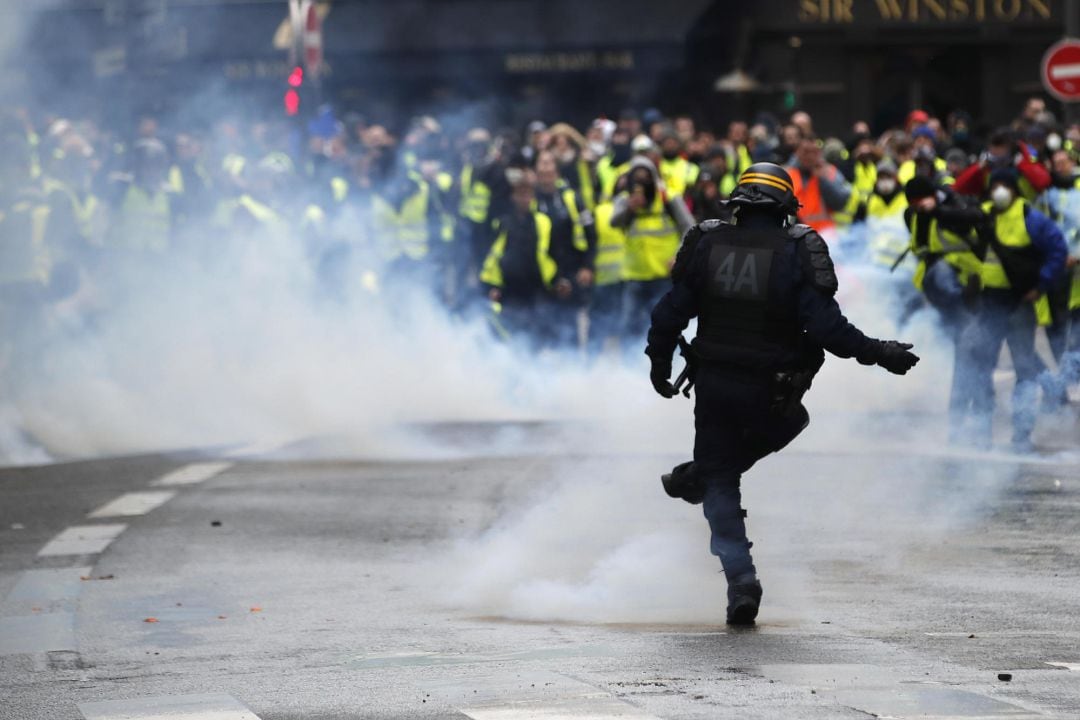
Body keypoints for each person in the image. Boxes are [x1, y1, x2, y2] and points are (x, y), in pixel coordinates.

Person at [645, 163, 920, 625]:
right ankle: (705, 476)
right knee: (787, 426)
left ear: (738, 205)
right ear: (785, 210)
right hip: (771, 392)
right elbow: (828, 328)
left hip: (713, 385)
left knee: (719, 480)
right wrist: (882, 353)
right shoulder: (798, 249)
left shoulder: (706, 243)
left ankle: (741, 582)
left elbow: (669, 315)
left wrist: (659, 365)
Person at [960, 168, 1067, 451]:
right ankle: (983, 434)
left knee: (1024, 368)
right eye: (995, 186)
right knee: (982, 365)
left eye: (1005, 186)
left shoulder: (1031, 218)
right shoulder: (983, 215)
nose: (999, 191)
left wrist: (1041, 284)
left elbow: (1058, 249)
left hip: (1020, 302)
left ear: (1016, 190)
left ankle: (1021, 435)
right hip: (991, 302)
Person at [612, 157, 693, 340]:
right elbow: (614, 222)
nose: (641, 184)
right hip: (635, 275)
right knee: (628, 325)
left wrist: (679, 256)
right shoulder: (625, 200)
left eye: (645, 178)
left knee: (663, 323)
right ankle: (629, 363)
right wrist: (630, 209)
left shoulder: (668, 198)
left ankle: (662, 363)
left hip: (662, 274)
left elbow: (690, 227)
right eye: (637, 178)